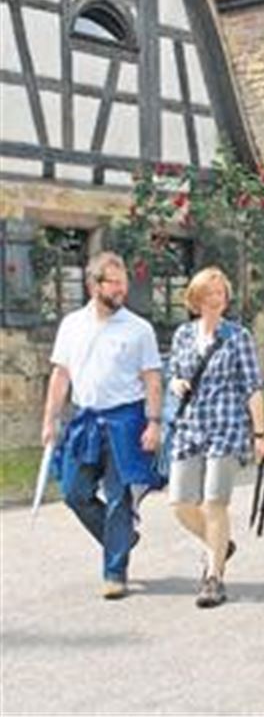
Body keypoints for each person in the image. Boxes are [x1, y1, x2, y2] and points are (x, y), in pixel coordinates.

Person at [41, 252, 163, 600]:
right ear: (94, 285)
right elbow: (60, 376)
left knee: (117, 499)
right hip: (85, 418)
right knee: (73, 492)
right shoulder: (71, 325)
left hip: (126, 420)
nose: (123, 289)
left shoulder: (139, 329)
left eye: (125, 282)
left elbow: (152, 379)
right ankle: (122, 538)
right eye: (115, 283)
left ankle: (115, 572)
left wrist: (153, 423)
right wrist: (49, 420)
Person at [167, 267, 264, 609]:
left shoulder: (237, 336)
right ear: (196, 299)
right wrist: (176, 384)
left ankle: (214, 576)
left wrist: (260, 433)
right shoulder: (182, 335)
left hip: (226, 426)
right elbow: (174, 374)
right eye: (210, 294)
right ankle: (220, 544)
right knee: (180, 504)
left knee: (214, 502)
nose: (216, 299)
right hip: (189, 426)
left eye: (221, 293)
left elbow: (253, 386)